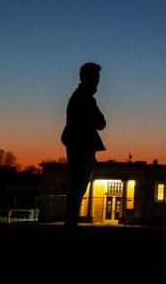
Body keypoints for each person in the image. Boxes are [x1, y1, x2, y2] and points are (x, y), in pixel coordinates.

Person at [60, 62, 106, 228]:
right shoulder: (84, 98)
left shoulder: (85, 97)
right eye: (95, 77)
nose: (98, 81)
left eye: (98, 77)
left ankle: (71, 222)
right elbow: (100, 123)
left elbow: (100, 122)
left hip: (81, 144)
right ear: (84, 77)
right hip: (81, 145)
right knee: (78, 184)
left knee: (78, 185)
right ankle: (71, 223)